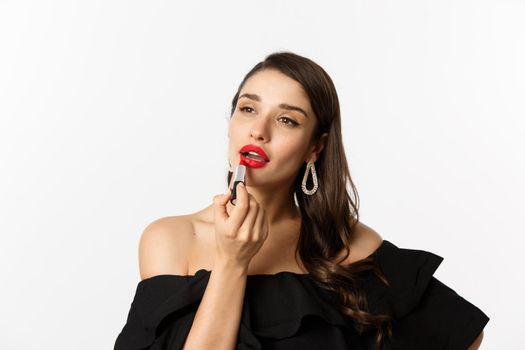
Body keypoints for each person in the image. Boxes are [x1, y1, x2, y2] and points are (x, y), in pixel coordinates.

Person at [113, 51, 489, 350]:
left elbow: (463, 334)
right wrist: (232, 262)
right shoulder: (171, 238)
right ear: (230, 122)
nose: (258, 131)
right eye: (248, 109)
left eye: (287, 120)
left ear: (315, 147)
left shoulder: (349, 245)